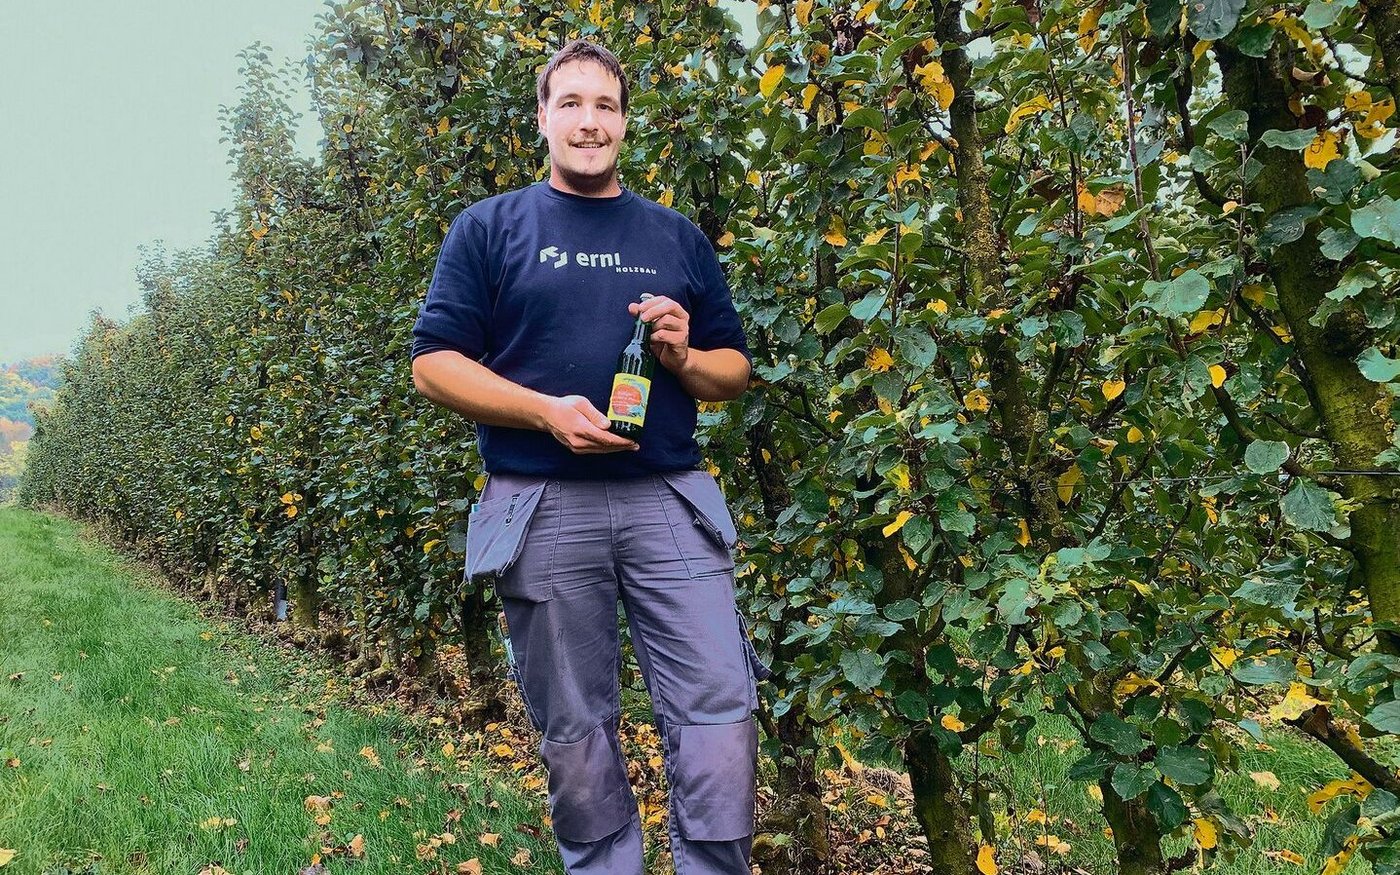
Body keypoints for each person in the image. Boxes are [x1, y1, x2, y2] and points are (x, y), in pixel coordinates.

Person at [409, 38, 771, 875]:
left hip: (667, 497)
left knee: (720, 715)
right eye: (570, 103)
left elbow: (732, 371)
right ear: (541, 118)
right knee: (574, 729)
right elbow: (433, 364)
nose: (588, 121)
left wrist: (683, 354)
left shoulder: (674, 236)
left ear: (625, 123)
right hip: (542, 501)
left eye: (605, 105)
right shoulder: (490, 228)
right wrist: (544, 412)